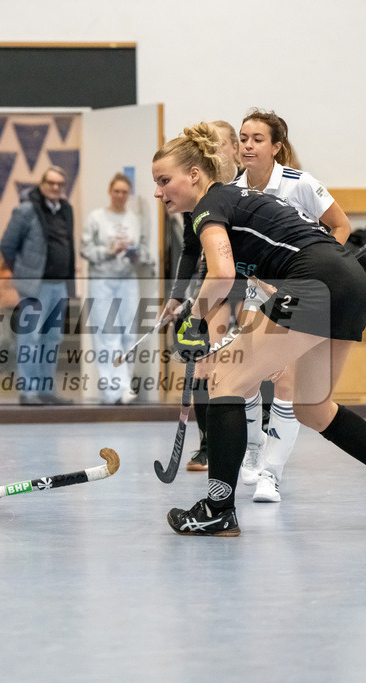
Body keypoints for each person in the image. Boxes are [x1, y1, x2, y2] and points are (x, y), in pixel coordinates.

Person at [152, 122, 366, 537]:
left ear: (193, 175)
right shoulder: (236, 199)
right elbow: (263, 271)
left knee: (226, 383)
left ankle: (218, 508)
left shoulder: (209, 206)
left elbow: (222, 273)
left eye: (164, 180)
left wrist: (192, 320)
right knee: (312, 407)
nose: (158, 192)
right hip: (350, 284)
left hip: (315, 283)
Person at [232, 109, 354, 502]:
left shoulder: (300, 183)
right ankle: (253, 448)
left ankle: (271, 474)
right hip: (255, 290)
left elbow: (341, 225)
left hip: (298, 290)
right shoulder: (232, 191)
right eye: (243, 138)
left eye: (257, 139)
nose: (248, 145)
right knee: (245, 376)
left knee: (286, 379)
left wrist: (321, 267)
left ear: (276, 147)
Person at [168, 120, 241, 471]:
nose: (214, 151)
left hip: (249, 281)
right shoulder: (196, 193)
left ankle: (254, 441)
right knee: (201, 361)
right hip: (212, 281)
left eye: (220, 144)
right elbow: (189, 246)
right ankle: (208, 443)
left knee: (247, 363)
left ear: (235, 149)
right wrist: (176, 296)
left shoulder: (245, 189)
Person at [0, 165, 76, 405]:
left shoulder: (66, 210)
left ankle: (46, 390)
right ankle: (28, 391)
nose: (55, 187)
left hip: (59, 284)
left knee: (52, 339)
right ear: (42, 185)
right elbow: (7, 245)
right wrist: (23, 274)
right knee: (30, 338)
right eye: (51, 183)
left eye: (59, 184)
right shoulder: (26, 210)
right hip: (35, 286)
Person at [81, 173, 153, 404]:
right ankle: (112, 390)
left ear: (128, 194)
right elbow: (85, 250)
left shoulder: (134, 219)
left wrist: (136, 255)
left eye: (124, 192)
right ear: (110, 192)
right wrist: (109, 251)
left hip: (127, 279)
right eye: (117, 191)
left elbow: (144, 250)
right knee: (107, 334)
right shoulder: (96, 217)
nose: (120, 195)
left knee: (128, 334)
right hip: (102, 281)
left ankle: (124, 387)